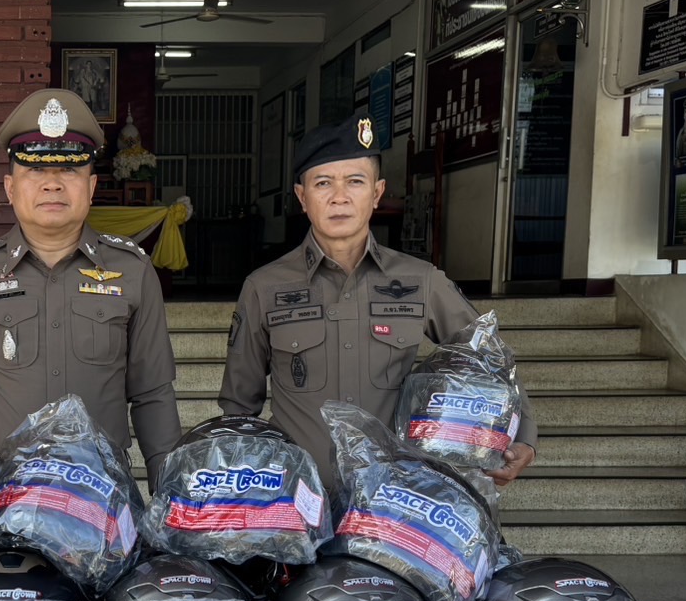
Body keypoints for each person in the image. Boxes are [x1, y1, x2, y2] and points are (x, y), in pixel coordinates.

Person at [220, 110, 538, 491]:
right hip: (299, 498)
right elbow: (238, 410)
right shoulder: (263, 288)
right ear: (302, 197)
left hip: (393, 501)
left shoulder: (420, 280)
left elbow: (490, 357)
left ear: (376, 193)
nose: (339, 197)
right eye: (323, 183)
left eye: (355, 181)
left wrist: (523, 435)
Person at [0, 88, 182, 489]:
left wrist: (169, 494)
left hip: (102, 487)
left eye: (68, 170)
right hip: (5, 487)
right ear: (10, 188)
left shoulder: (132, 270)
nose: (52, 184)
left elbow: (153, 393)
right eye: (35, 171)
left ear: (91, 186)